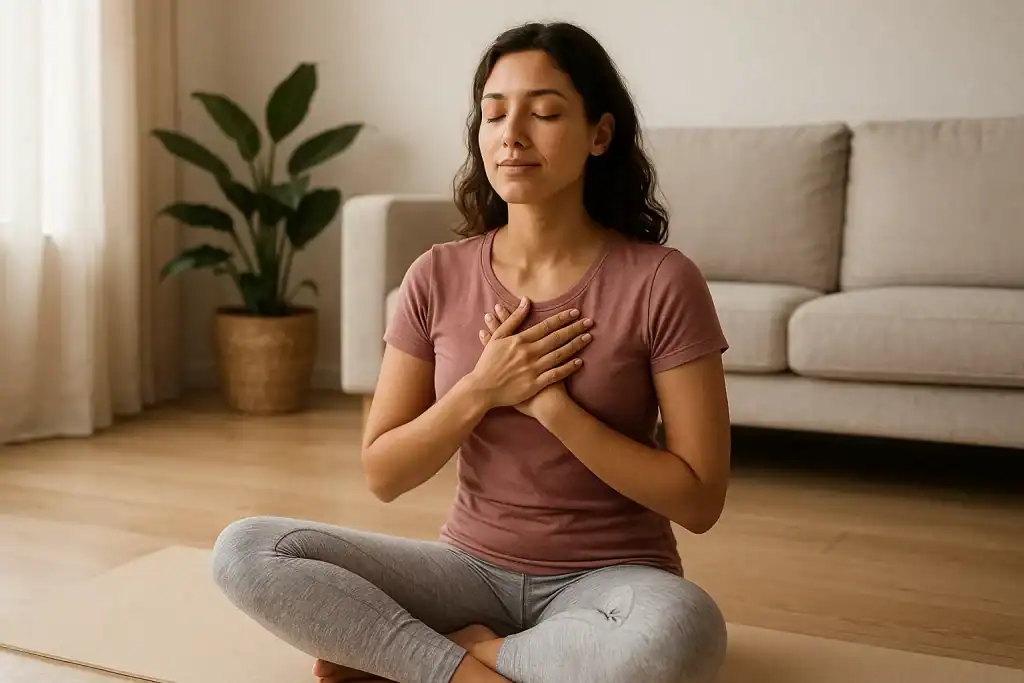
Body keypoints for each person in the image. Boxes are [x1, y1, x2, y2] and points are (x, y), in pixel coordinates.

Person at [212, 20, 731, 683]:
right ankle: (471, 667)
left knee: (682, 633)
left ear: (600, 134)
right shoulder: (436, 274)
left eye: (544, 112)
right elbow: (384, 472)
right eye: (493, 114)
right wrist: (482, 388)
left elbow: (699, 500)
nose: (511, 133)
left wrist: (552, 407)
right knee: (246, 549)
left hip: (610, 582)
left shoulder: (661, 280)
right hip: (467, 570)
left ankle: (452, 654)